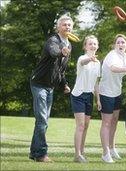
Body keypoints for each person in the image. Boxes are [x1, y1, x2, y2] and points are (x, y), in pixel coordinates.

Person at [29, 14, 74, 162]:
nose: (67, 27)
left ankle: (34, 153)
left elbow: (60, 70)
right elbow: (54, 52)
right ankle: (41, 154)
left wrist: (64, 84)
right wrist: (62, 52)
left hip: (50, 87)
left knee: (43, 121)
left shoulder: (69, 45)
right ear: (58, 27)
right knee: (42, 120)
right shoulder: (53, 40)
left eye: (69, 25)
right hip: (39, 84)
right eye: (64, 25)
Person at [99, 34, 126, 163]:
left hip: (116, 92)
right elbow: (113, 69)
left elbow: (123, 72)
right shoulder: (111, 55)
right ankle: (105, 152)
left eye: (123, 42)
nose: (120, 44)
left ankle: (112, 148)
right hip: (106, 92)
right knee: (106, 123)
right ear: (114, 45)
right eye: (118, 42)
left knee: (114, 121)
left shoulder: (125, 57)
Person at [71, 35, 101, 163]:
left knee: (86, 125)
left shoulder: (98, 63)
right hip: (78, 95)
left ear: (97, 46)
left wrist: (98, 99)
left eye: (95, 44)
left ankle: (82, 152)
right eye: (90, 44)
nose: (93, 46)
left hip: (89, 95)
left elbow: (96, 83)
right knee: (81, 125)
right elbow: (83, 63)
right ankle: (77, 155)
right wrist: (90, 59)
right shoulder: (82, 58)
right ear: (85, 46)